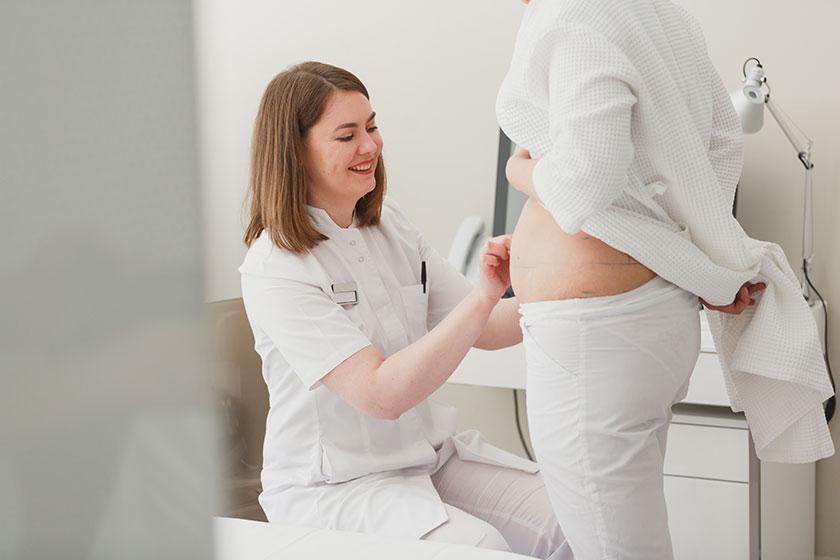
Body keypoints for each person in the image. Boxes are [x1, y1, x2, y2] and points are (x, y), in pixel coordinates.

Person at [495, 0, 832, 558]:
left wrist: (520, 169)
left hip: (596, 337)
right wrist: (696, 257)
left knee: (612, 547)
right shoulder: (659, 12)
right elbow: (720, 143)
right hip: (643, 313)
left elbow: (584, 183)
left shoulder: (571, 16)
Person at [239, 61, 572, 559]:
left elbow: (491, 328)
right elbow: (381, 395)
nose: (370, 146)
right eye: (347, 135)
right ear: (295, 152)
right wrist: (484, 296)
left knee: (573, 518)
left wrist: (575, 287)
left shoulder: (388, 224)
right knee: (480, 549)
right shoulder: (277, 268)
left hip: (427, 458)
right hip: (338, 486)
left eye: (371, 127)